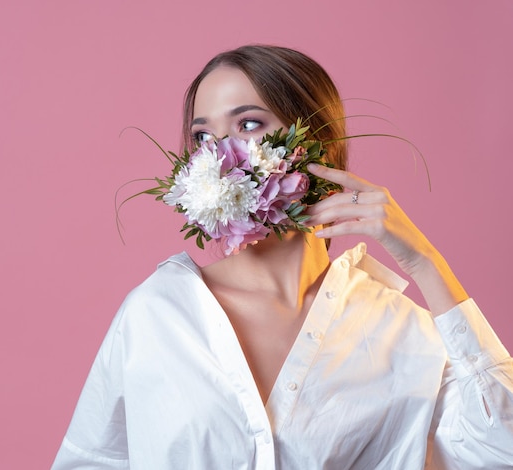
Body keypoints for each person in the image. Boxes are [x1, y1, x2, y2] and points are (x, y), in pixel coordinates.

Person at [51, 45, 513, 469]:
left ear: (316, 142)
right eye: (203, 136)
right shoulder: (156, 315)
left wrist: (423, 262)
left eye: (248, 124)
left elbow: (501, 448)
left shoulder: (401, 331)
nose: (221, 155)